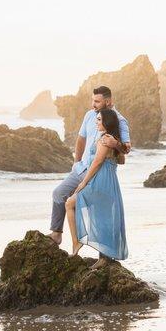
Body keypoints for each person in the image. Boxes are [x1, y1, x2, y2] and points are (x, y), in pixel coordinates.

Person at [47, 86, 131, 247]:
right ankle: (56, 233)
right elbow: (81, 139)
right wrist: (76, 162)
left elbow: (126, 148)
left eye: (97, 101)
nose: (93, 104)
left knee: (95, 211)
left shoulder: (120, 120)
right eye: (92, 100)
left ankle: (102, 252)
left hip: (98, 173)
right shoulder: (89, 115)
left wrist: (116, 144)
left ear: (108, 101)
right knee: (59, 193)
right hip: (81, 168)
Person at [65, 108, 128, 269]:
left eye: (99, 119)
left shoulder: (105, 139)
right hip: (109, 180)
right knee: (103, 216)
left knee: (70, 204)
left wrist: (83, 183)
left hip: (100, 180)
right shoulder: (111, 139)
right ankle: (103, 256)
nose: (96, 121)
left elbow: (97, 162)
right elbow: (121, 160)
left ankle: (78, 242)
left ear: (107, 122)